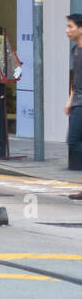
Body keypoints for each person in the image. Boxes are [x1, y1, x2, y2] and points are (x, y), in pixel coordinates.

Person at [66, 13, 82, 187]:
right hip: (77, 101)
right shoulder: (75, 50)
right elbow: (75, 78)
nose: (67, 30)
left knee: (73, 141)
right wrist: (70, 100)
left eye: (70, 26)